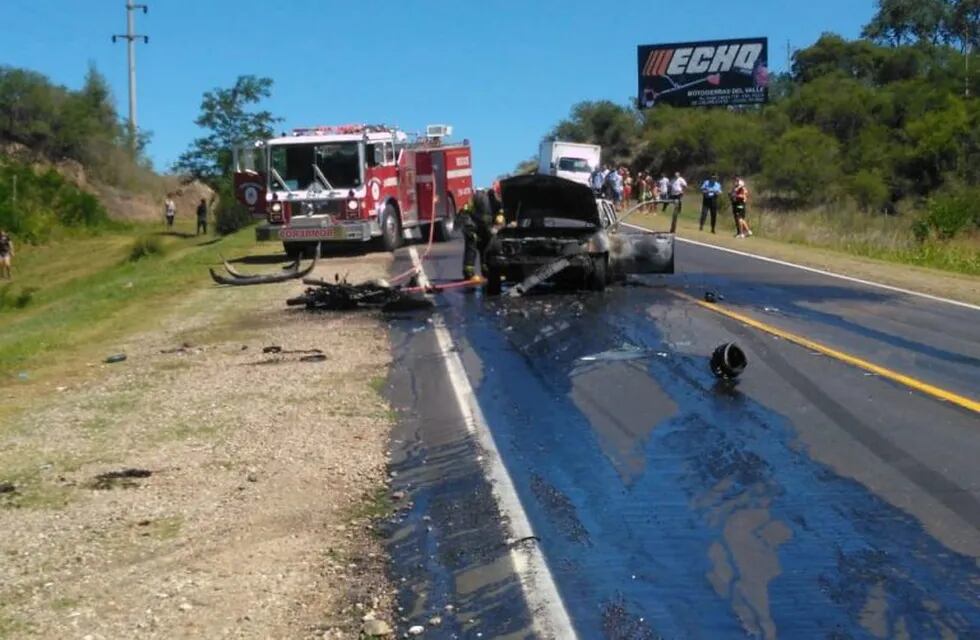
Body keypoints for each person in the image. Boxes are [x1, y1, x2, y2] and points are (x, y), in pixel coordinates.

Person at [461, 189, 501, 281]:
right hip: (472, 227)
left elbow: (500, 216)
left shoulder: (498, 203)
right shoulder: (478, 197)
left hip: (485, 229)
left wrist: (497, 225)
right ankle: (469, 274)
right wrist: (470, 228)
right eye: (498, 194)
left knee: (487, 249)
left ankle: (487, 272)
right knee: (471, 247)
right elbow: (465, 211)